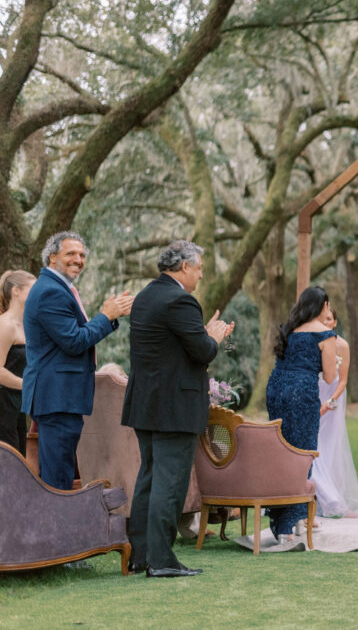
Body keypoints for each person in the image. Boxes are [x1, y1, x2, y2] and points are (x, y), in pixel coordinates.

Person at [121, 240, 233, 577]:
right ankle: (161, 561)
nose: (200, 275)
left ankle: (141, 554)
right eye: (198, 269)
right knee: (170, 483)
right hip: (174, 406)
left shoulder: (145, 297)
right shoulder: (180, 300)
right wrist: (212, 336)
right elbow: (201, 352)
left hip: (146, 402)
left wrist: (202, 336)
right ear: (184, 266)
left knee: (149, 478)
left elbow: (168, 349)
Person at [22, 231, 133, 489]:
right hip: (57, 397)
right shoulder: (51, 291)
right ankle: (56, 529)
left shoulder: (58, 288)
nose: (78, 259)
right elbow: (74, 341)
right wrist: (105, 316)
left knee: (60, 471)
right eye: (71, 253)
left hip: (61, 397)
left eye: (82, 254)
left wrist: (109, 315)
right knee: (57, 476)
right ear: (52, 258)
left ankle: (59, 527)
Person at [265, 286, 339, 542]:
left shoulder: (290, 330)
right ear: (323, 306)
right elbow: (330, 376)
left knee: (282, 450)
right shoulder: (325, 334)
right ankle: (291, 522)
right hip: (301, 393)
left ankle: (290, 517)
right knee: (303, 452)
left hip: (276, 389)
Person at [310, 307, 358, 518]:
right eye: (321, 319)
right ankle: (321, 495)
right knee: (313, 446)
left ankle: (329, 498)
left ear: (335, 322)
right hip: (314, 396)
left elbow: (343, 380)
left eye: (329, 319)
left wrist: (330, 402)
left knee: (330, 447)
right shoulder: (313, 343)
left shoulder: (342, 345)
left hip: (333, 399)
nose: (325, 322)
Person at [0, 271, 35, 454]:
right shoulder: (5, 325)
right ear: (16, 291)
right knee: (8, 463)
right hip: (3, 404)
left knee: (19, 459)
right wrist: (27, 384)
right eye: (33, 289)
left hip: (18, 404)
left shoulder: (26, 325)